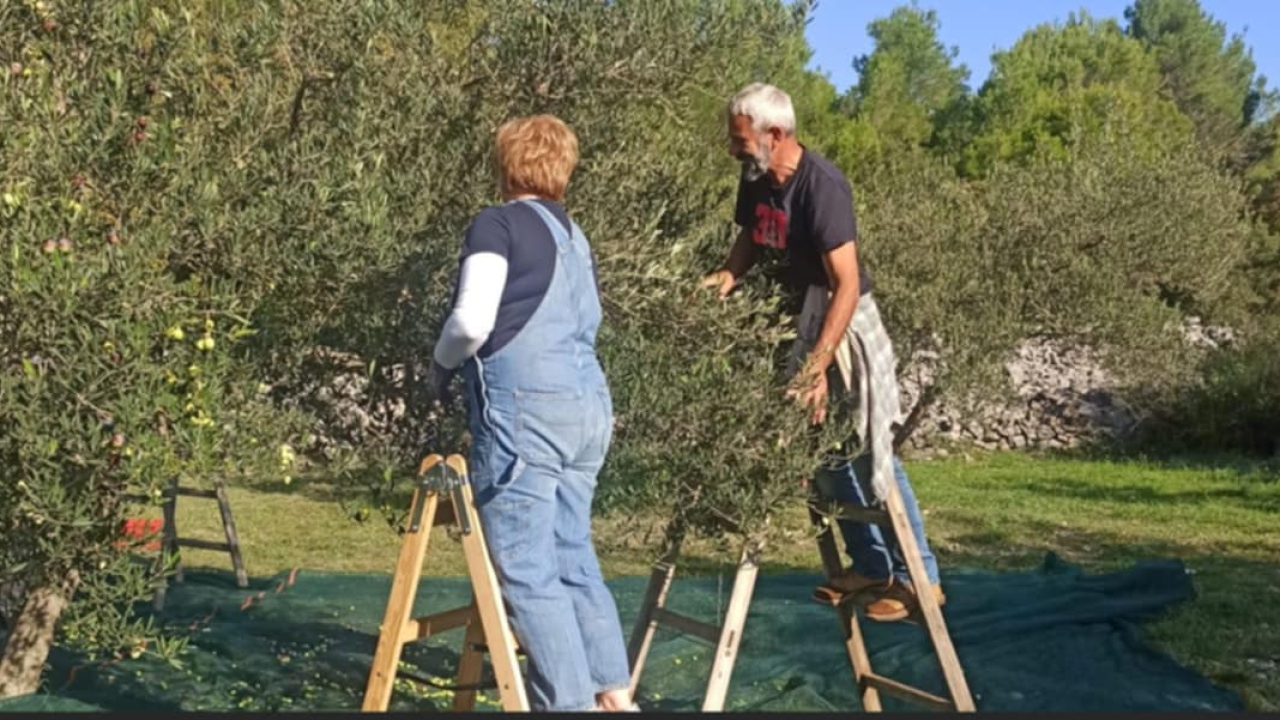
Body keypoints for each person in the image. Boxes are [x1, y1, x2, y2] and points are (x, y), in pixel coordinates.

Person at [700, 83, 945, 623]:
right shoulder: (756, 177)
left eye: (740, 139)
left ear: (775, 134)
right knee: (819, 453)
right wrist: (729, 275)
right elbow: (751, 235)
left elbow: (846, 284)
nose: (732, 148)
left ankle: (919, 578)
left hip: (842, 320)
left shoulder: (822, 186)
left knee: (868, 446)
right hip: (797, 319)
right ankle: (871, 567)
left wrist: (817, 364)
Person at [430, 114, 637, 712]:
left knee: (528, 569)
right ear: (562, 169)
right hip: (588, 410)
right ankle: (615, 694)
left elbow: (472, 321)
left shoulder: (497, 224)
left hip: (528, 414)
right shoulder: (575, 236)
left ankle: (569, 707)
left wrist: (440, 366)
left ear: (506, 166)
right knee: (573, 552)